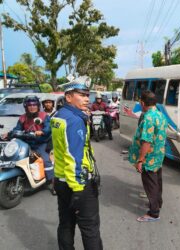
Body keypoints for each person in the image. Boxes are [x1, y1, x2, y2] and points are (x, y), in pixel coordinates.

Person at [51, 79, 103, 250]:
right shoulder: (73, 120)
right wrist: (79, 189)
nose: (87, 99)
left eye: (87, 95)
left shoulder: (58, 116)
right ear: (68, 97)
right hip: (78, 183)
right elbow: (75, 159)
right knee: (90, 229)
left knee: (66, 224)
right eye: (82, 95)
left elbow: (60, 150)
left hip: (61, 180)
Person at [128, 90, 167, 222]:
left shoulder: (148, 118)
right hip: (158, 154)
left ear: (142, 103)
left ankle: (154, 213)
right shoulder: (160, 114)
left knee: (151, 184)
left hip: (149, 157)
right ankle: (156, 203)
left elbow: (146, 141)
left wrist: (140, 159)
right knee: (157, 181)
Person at [2, 95, 54, 192]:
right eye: (29, 105)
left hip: (41, 143)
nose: (32, 107)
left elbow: (48, 128)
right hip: (26, 142)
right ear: (26, 106)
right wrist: (8, 134)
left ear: (38, 106)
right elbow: (17, 129)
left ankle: (51, 182)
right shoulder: (22, 118)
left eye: (34, 105)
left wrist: (42, 132)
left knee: (46, 160)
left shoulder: (44, 116)